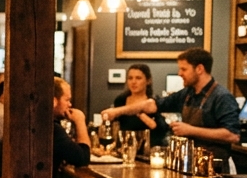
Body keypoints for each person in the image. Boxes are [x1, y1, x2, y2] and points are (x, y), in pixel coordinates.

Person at [102, 47, 239, 158]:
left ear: (199, 69)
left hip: (214, 168)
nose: (179, 73)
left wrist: (190, 130)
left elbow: (232, 135)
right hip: (192, 163)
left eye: (184, 69)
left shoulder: (222, 96)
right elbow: (152, 105)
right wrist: (117, 111)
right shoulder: (187, 94)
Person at [51, 78, 106, 178]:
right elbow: (82, 158)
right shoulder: (52, 128)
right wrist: (80, 121)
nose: (70, 105)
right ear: (54, 101)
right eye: (67, 100)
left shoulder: (45, 123)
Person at [111, 63, 170, 146]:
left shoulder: (153, 102)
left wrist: (139, 113)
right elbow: (115, 127)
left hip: (149, 147)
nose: (133, 82)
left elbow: (161, 131)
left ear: (148, 81)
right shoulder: (120, 100)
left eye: (138, 78)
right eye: (130, 78)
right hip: (125, 146)